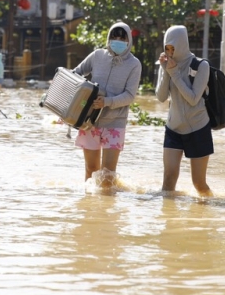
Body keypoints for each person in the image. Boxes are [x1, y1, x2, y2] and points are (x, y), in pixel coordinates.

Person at [72, 22, 142, 187]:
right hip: (89, 121)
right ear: (108, 38)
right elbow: (77, 72)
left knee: (107, 175)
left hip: (115, 123)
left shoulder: (134, 64)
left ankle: (108, 210)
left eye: (122, 38)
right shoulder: (97, 56)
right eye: (114, 37)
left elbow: (130, 95)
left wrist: (107, 102)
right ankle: (90, 207)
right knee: (91, 170)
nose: (117, 40)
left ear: (129, 40)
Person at [157, 25, 212, 196]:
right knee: (168, 179)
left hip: (197, 128)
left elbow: (193, 98)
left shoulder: (201, 66)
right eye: (167, 48)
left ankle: (209, 210)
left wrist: (174, 73)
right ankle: (168, 219)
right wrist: (166, 71)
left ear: (183, 44)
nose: (170, 51)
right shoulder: (167, 64)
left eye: (174, 47)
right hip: (174, 128)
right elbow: (160, 97)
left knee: (199, 184)